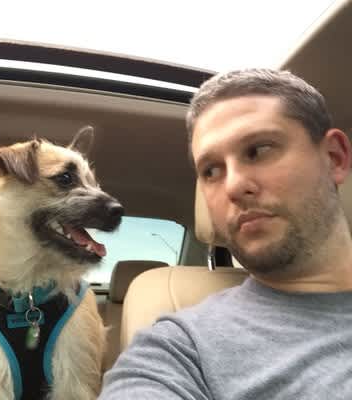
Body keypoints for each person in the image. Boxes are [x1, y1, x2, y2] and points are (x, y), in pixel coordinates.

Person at [98, 69, 352, 399]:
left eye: (259, 150)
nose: (233, 186)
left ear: (334, 158)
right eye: (211, 170)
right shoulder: (180, 349)